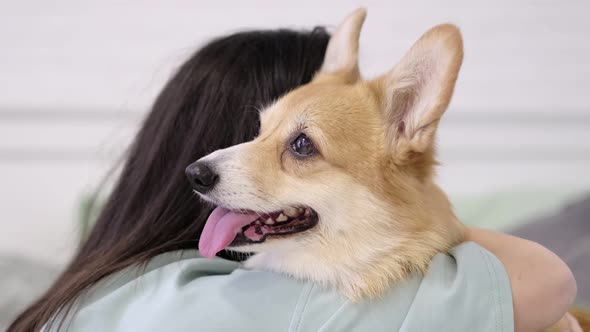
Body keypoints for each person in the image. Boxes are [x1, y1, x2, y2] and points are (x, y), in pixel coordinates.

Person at [9, 27, 577, 332]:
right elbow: (549, 282)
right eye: (263, 133)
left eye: (299, 146)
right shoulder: (275, 306)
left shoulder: (108, 283)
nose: (224, 159)